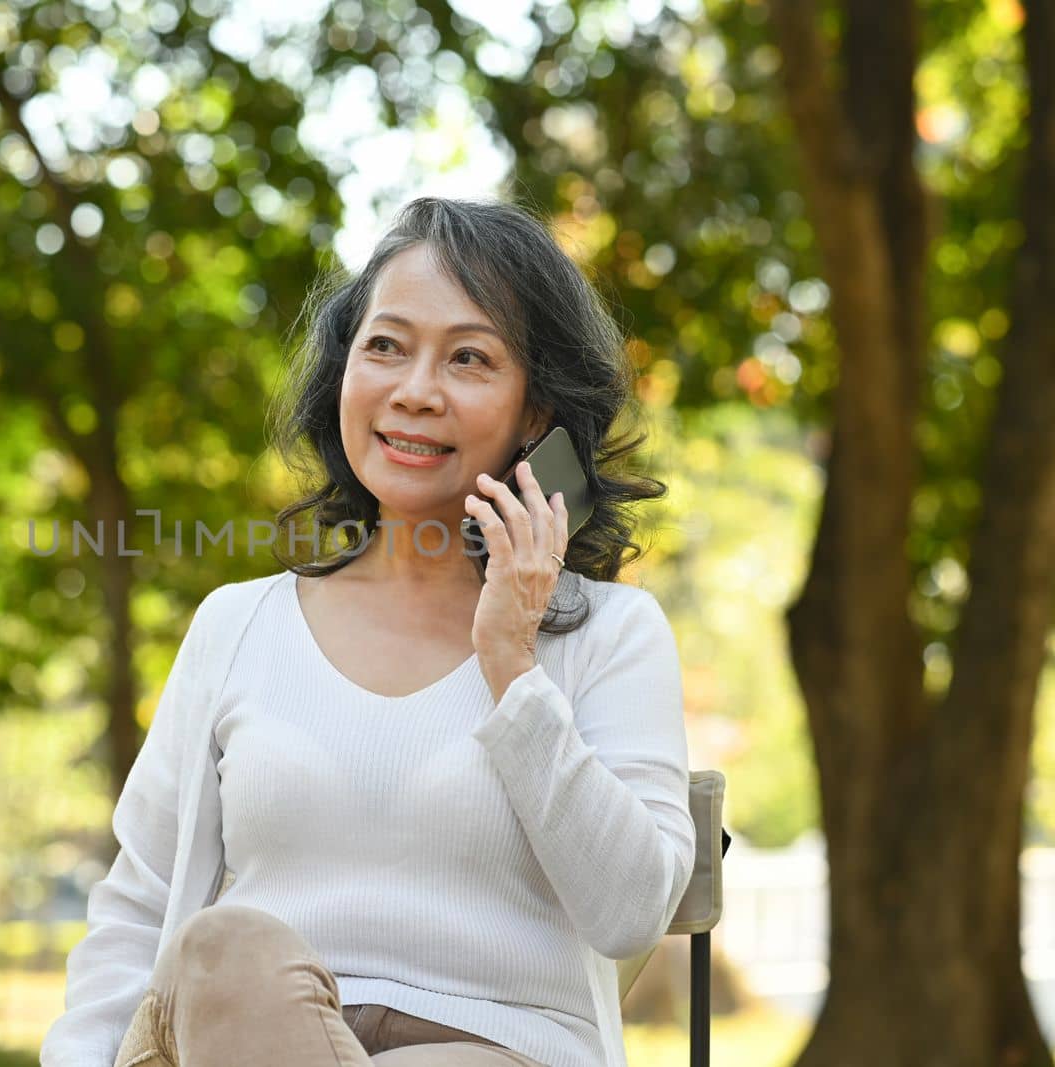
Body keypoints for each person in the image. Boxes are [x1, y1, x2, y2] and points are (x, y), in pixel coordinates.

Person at [41, 195, 696, 1067]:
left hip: (495, 1051)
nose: (415, 391)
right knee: (222, 950)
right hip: (240, 1037)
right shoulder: (239, 626)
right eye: (385, 346)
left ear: (537, 414)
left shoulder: (611, 636)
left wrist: (511, 662)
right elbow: (136, 911)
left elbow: (629, 913)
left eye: (469, 357)